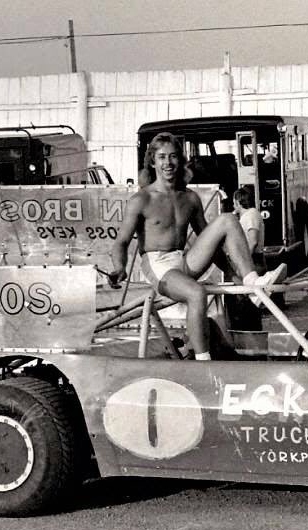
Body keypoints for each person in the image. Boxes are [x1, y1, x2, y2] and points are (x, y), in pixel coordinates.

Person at [108, 132, 286, 360]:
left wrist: (233, 274)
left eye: (173, 157)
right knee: (197, 293)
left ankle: (254, 286)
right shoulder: (142, 199)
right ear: (152, 161)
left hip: (183, 260)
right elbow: (121, 242)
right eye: (162, 157)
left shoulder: (189, 198)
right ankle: (203, 362)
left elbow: (211, 242)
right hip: (158, 266)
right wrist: (119, 268)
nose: (168, 163)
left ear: (180, 160)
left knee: (228, 220)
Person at [233, 185, 264, 264]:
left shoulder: (251, 215)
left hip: (254, 260)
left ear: (238, 202)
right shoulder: (247, 216)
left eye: (233, 203)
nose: (233, 206)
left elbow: (253, 242)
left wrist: (245, 262)